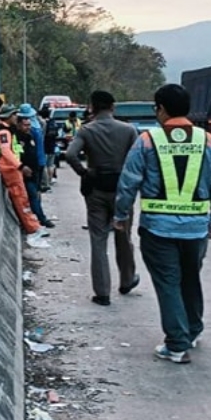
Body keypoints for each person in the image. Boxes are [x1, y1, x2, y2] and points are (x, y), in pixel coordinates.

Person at [113, 84, 211, 364]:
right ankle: (191, 330)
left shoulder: (147, 141)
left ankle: (177, 344)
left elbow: (129, 182)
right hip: (196, 228)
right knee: (191, 278)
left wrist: (120, 215)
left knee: (168, 283)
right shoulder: (208, 141)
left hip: (158, 228)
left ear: (161, 109)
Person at [65, 91, 139, 306]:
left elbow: (70, 155)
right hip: (122, 191)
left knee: (98, 241)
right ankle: (127, 280)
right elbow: (137, 160)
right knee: (123, 236)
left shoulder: (87, 131)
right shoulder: (128, 131)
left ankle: (102, 293)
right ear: (113, 107)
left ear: (92, 107)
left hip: (96, 190)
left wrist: (84, 173)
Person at [0, 105, 48, 247]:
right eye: (14, 115)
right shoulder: (3, 132)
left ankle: (33, 225)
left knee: (23, 198)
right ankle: (32, 228)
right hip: (10, 169)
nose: (16, 117)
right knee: (21, 199)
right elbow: (6, 152)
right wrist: (20, 166)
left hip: (12, 168)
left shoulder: (7, 131)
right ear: (8, 116)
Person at [16, 104, 54, 228]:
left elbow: (38, 149)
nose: (29, 125)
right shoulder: (18, 135)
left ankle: (38, 217)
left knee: (35, 193)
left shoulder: (34, 131)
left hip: (37, 166)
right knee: (32, 194)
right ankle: (40, 219)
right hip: (27, 169)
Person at [41, 106, 59, 191]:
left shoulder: (43, 123)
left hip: (44, 147)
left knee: (45, 165)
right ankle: (51, 180)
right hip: (52, 146)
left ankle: (46, 181)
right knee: (51, 165)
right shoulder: (53, 122)